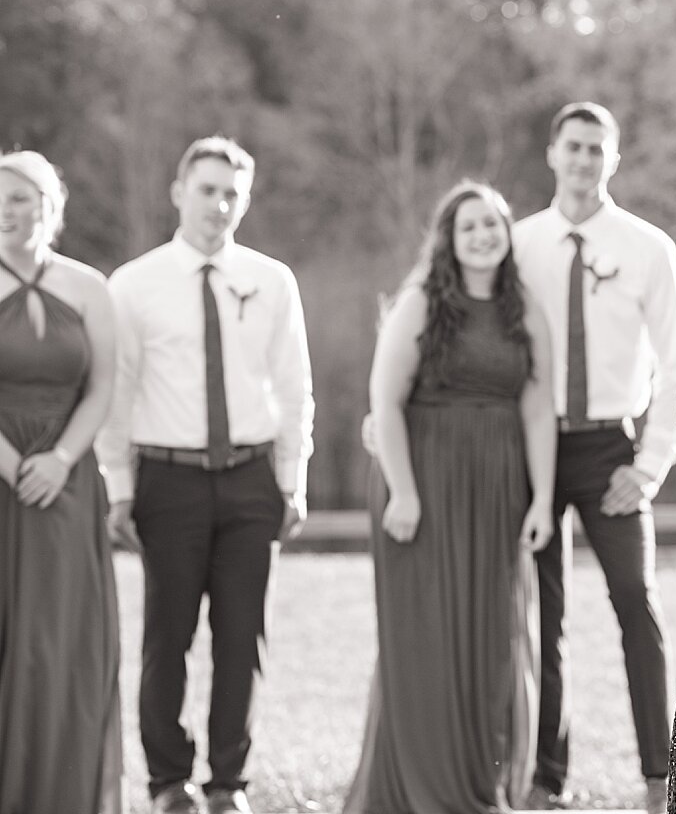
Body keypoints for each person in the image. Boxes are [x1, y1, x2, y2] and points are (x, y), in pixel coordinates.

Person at [97, 137, 314, 814]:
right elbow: (117, 392)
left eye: (231, 194)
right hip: (169, 481)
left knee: (243, 636)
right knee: (169, 635)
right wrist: (120, 487)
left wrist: (293, 479)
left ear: (244, 200)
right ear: (178, 192)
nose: (219, 206)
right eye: (207, 190)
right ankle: (168, 781)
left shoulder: (272, 279)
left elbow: (294, 385)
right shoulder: (133, 284)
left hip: (252, 479)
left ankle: (228, 782)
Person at [345, 180, 556, 813]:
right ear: (449, 239)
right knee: (427, 637)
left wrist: (542, 499)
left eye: (492, 224)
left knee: (493, 639)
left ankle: (477, 783)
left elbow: (540, 406)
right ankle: (420, 789)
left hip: (497, 490)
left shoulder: (525, 308)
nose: (483, 236)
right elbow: (384, 400)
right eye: (469, 227)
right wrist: (404, 493)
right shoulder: (421, 303)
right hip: (424, 485)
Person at [511, 102, 676, 813]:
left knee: (637, 606)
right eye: (574, 147)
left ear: (613, 159)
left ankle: (661, 776)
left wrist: (649, 466)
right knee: (542, 616)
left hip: (611, 449)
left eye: (598, 149)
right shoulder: (519, 244)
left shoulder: (648, 247)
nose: (585, 160)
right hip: (531, 448)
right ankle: (547, 776)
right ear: (552, 155)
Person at [0, 151, 124, 814]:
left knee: (58, 635)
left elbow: (102, 384)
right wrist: (11, 462)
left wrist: (61, 457)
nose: (7, 210)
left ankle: (57, 788)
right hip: (2, 474)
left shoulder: (89, 287)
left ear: (51, 206)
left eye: (20, 198)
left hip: (67, 483)